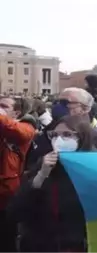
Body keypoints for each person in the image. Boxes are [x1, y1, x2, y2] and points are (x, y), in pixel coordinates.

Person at [8, 115, 96, 253]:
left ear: (83, 137)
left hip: (78, 246)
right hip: (41, 245)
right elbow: (16, 210)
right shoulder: (44, 164)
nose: (59, 140)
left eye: (67, 135)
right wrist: (41, 175)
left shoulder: (93, 168)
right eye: (54, 135)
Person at [0, 96, 37, 253]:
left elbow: (18, 133)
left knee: (5, 238)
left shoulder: (27, 127)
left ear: (16, 112)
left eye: (3, 106)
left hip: (6, 192)